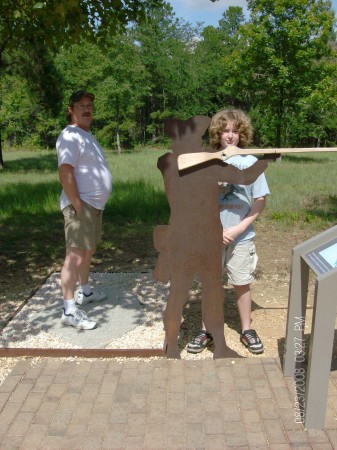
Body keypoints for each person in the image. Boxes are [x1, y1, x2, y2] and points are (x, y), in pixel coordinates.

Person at [187, 109, 270, 354]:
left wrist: (240, 227)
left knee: (242, 282)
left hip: (242, 236)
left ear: (242, 134)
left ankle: (247, 329)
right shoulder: (206, 161)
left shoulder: (251, 162)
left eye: (235, 131)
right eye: (225, 131)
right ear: (217, 133)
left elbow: (260, 201)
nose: (230, 136)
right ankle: (207, 330)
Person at [56, 90, 113, 330]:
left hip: (93, 205)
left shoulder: (86, 135)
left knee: (88, 250)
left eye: (89, 105)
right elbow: (65, 171)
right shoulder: (70, 135)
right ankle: (69, 309)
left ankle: (85, 291)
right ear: (70, 109)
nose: (87, 109)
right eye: (81, 105)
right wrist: (78, 204)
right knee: (75, 255)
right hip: (81, 204)